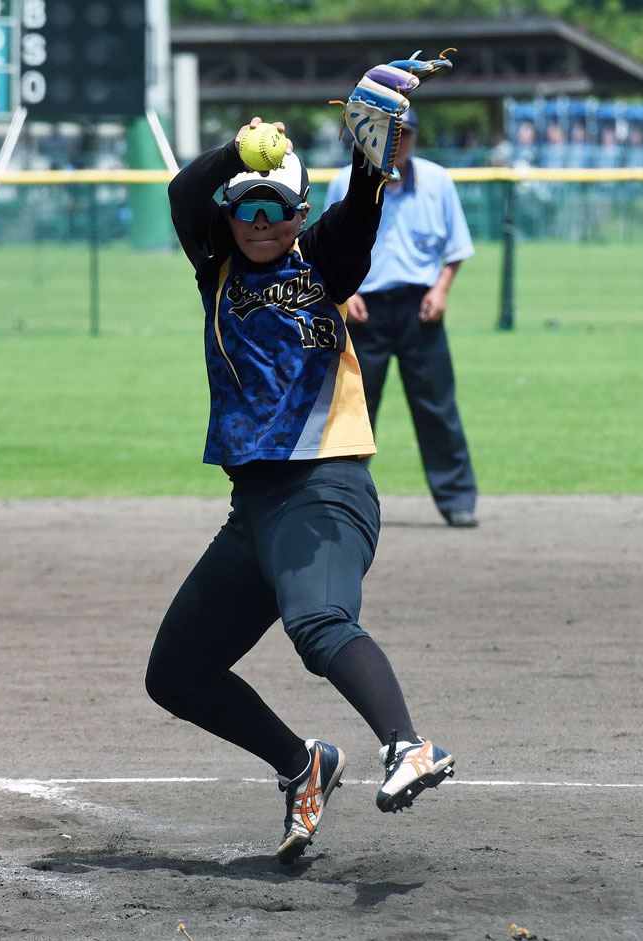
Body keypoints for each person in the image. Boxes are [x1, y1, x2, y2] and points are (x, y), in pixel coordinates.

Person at [145, 114, 455, 866]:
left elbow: (360, 216)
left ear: (300, 213)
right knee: (177, 674)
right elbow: (183, 194)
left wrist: (370, 158)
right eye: (245, 205)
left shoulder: (322, 261)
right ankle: (302, 763)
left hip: (325, 488)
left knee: (318, 622)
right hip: (253, 510)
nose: (259, 221)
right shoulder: (216, 269)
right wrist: (237, 151)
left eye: (275, 207)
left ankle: (407, 744)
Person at [324, 108, 478, 527]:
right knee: (354, 411)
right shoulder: (345, 181)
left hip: (419, 308)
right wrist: (347, 293)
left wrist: (441, 289)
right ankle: (338, 499)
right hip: (364, 310)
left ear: (415, 138)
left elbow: (456, 247)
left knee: (437, 406)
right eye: (389, 134)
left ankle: (457, 498)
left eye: (404, 135)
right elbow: (327, 248)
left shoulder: (437, 181)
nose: (397, 143)